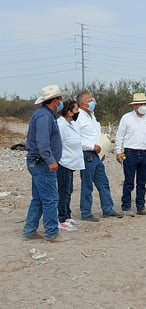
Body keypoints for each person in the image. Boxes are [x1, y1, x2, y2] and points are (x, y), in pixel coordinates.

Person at [23, 84, 66, 242]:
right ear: (55, 100)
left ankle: (29, 230)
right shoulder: (44, 116)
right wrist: (50, 160)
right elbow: (42, 142)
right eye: (59, 99)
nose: (61, 102)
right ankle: (51, 233)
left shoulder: (45, 115)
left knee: (40, 198)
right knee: (50, 199)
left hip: (39, 162)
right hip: (42, 163)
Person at [77, 91, 123, 221]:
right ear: (82, 103)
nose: (92, 102)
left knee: (103, 182)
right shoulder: (78, 117)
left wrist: (102, 150)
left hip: (97, 155)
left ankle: (108, 209)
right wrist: (91, 147)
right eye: (89, 100)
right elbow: (76, 139)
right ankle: (86, 212)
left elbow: (96, 135)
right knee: (87, 185)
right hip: (87, 154)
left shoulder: (92, 116)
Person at [115, 93, 146, 216]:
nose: (143, 106)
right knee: (129, 181)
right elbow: (120, 136)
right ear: (134, 106)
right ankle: (126, 206)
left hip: (145, 153)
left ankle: (141, 207)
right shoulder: (126, 118)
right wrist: (118, 152)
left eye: (144, 104)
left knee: (142, 182)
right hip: (130, 153)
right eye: (140, 104)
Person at [56, 100, 84, 231]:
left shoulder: (72, 124)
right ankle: (61, 218)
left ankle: (67, 215)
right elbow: (58, 144)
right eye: (76, 110)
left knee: (69, 190)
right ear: (69, 112)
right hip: (63, 162)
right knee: (63, 191)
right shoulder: (61, 124)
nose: (78, 112)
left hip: (72, 162)